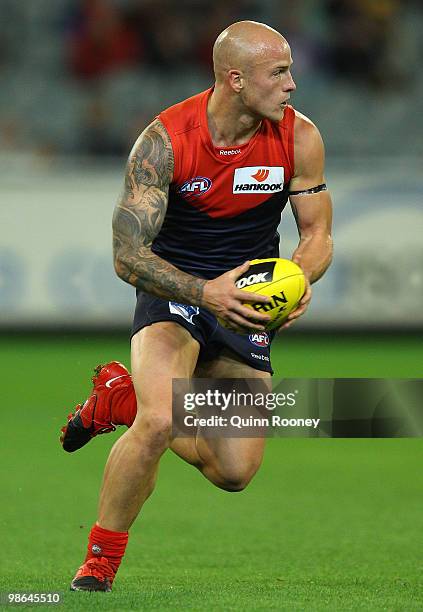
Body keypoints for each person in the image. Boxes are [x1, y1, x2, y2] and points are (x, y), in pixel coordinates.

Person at [62, 20, 333, 592]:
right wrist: (205, 292)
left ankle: (122, 398)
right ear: (236, 79)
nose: (291, 84)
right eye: (279, 72)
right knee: (160, 422)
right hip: (176, 292)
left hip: (247, 306)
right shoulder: (164, 142)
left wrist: (298, 280)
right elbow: (127, 255)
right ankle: (100, 563)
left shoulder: (299, 137)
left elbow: (318, 234)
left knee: (235, 473)